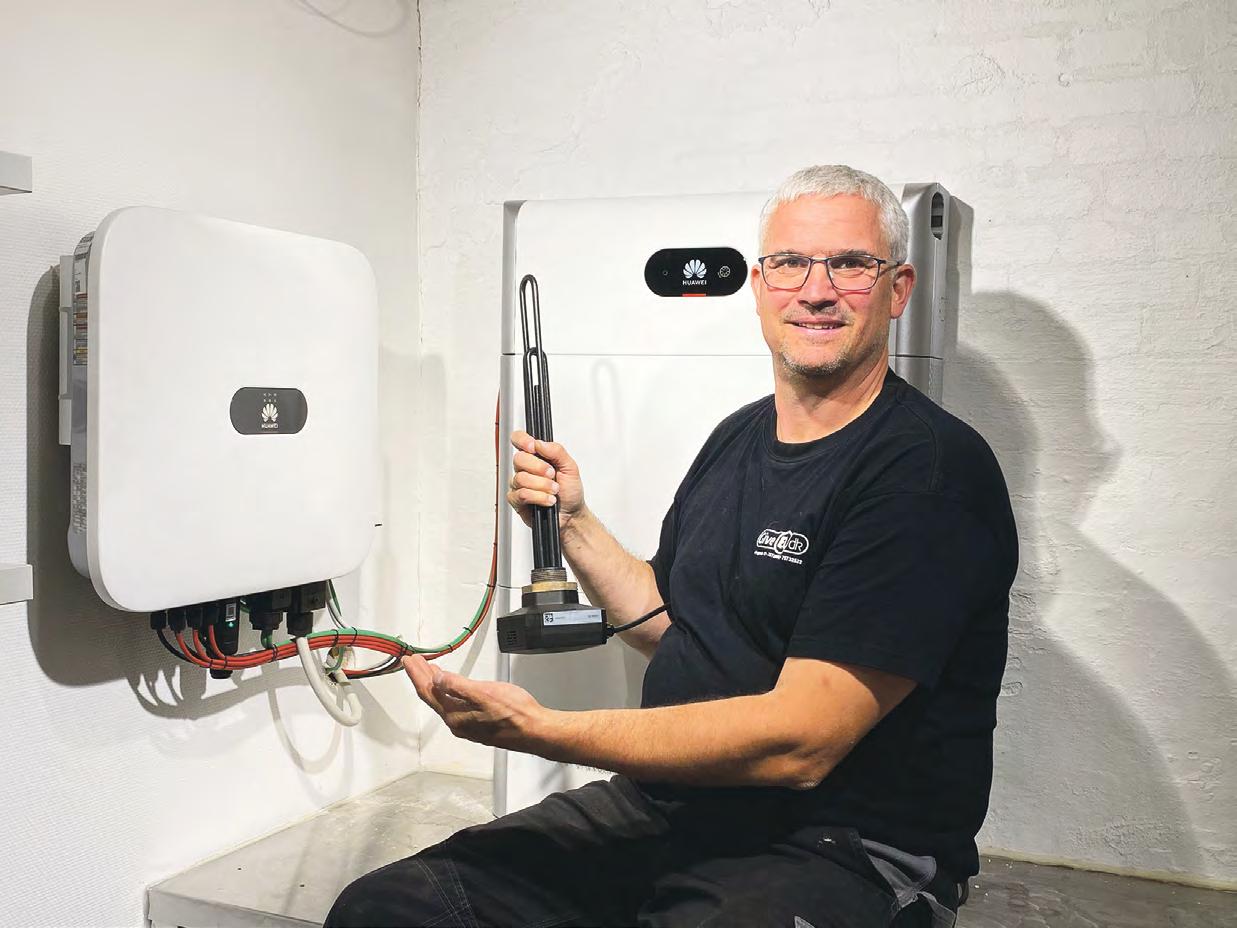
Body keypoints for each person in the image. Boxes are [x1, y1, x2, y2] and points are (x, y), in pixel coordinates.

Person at [325, 165, 1018, 928]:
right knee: (390, 908)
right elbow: (676, 626)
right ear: (759, 286)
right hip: (671, 808)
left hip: (840, 844)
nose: (815, 290)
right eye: (790, 263)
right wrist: (574, 522)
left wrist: (545, 731)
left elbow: (802, 743)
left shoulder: (925, 473)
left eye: (850, 264)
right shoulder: (737, 437)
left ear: (897, 289)